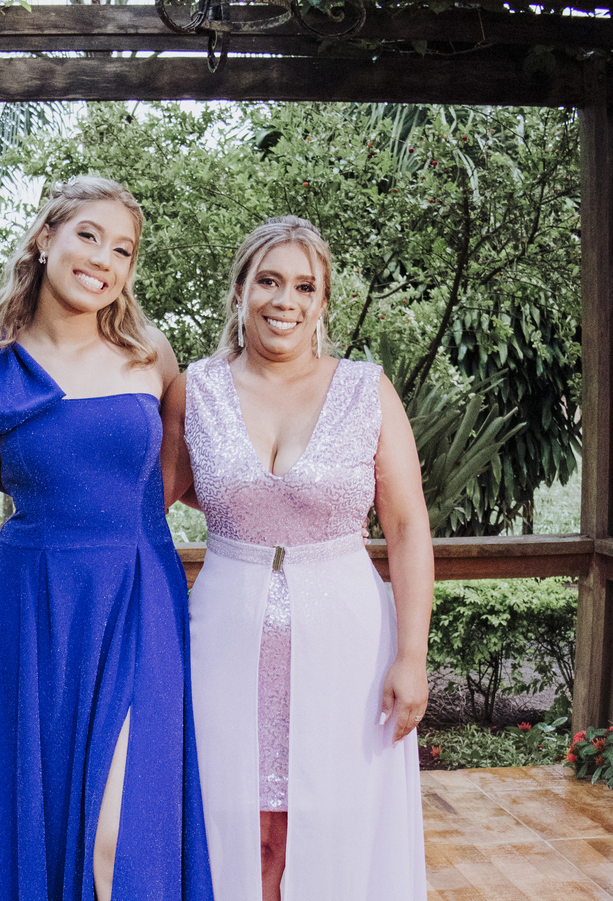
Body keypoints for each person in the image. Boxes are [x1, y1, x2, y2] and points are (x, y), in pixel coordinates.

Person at [0, 176, 214, 901]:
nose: (104, 259)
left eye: (123, 250)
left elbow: (178, 481)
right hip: (35, 609)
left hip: (139, 598)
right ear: (46, 238)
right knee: (40, 814)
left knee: (120, 831)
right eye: (89, 236)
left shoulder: (152, 356)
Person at [161, 216, 432, 901]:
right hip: (223, 642)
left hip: (347, 643)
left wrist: (412, 655)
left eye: (305, 286)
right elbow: (138, 506)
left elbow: (406, 526)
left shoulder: (368, 390)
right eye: (269, 281)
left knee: (330, 826)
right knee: (237, 826)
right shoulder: (196, 390)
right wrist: (30, 522)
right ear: (241, 291)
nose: (286, 300)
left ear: (322, 301)